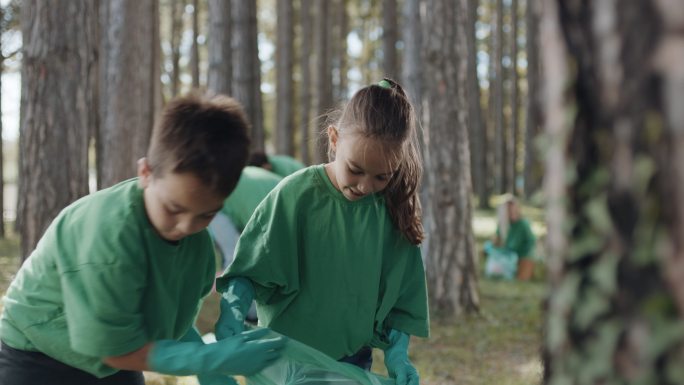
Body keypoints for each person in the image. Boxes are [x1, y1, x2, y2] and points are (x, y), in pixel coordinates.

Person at [0, 93, 286, 385]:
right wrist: (208, 358)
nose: (185, 226)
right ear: (146, 172)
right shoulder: (109, 240)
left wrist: (208, 368)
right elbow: (115, 350)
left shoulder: (196, 242)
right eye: (173, 209)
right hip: (38, 353)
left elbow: (173, 318)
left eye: (206, 215)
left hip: (120, 349)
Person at [214, 78, 429, 385]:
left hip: (350, 361)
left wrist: (398, 354)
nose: (365, 186)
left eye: (382, 176)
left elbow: (401, 300)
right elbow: (252, 267)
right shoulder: (297, 195)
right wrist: (233, 310)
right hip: (281, 359)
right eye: (355, 169)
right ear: (334, 139)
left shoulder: (391, 212)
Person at [491, 197, 536, 281]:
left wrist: (502, 247)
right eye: (509, 211)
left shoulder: (523, 224)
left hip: (524, 256)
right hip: (510, 256)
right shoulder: (504, 224)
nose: (512, 213)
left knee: (521, 278)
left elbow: (514, 245)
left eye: (513, 210)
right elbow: (496, 241)